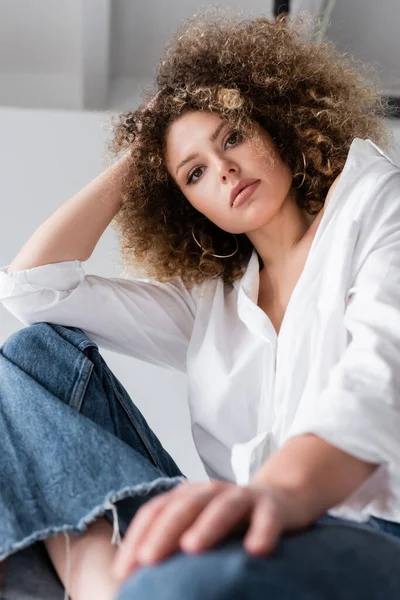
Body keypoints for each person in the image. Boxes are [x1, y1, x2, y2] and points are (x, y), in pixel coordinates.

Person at [1, 9, 400, 600]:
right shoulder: (211, 302)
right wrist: (142, 156)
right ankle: (98, 583)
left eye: (232, 137)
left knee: (187, 583)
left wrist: (280, 492)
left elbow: (381, 379)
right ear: (186, 203)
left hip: (367, 528)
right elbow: (34, 291)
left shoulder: (373, 202)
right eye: (194, 173)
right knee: (31, 355)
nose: (226, 170)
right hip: (238, 528)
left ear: (275, 123)